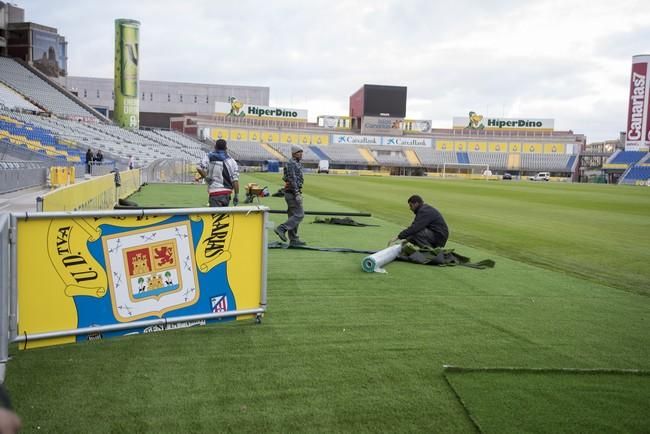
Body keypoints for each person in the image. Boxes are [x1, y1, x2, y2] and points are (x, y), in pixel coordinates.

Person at [274, 145, 305, 246]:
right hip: (292, 192)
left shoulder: (296, 163)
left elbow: (286, 177)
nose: (301, 154)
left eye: (301, 152)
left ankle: (294, 239)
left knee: (293, 215)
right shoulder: (292, 163)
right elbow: (292, 179)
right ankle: (281, 228)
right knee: (299, 214)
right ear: (294, 154)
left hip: (291, 192)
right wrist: (297, 193)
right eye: (299, 152)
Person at [196, 139, 240, 207]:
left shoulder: (209, 156)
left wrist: (206, 178)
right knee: (223, 216)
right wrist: (236, 195)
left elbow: (199, 168)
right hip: (227, 194)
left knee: (216, 216)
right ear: (226, 148)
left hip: (215, 192)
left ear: (215, 147)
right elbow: (235, 180)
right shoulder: (232, 161)